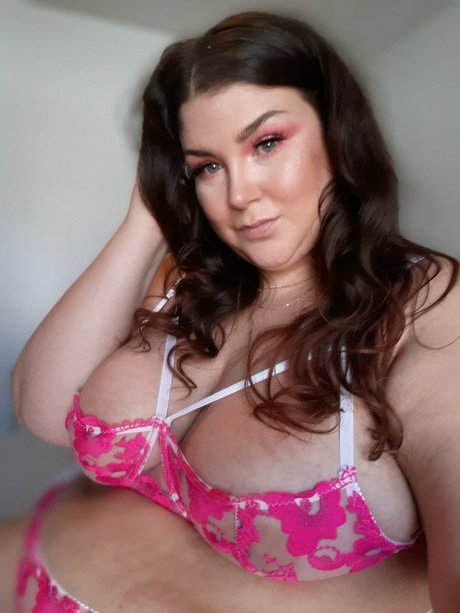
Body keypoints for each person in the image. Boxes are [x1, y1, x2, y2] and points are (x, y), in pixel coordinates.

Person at [7, 10, 459, 613]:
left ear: (337, 133)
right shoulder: (187, 279)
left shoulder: (424, 302)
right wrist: (147, 218)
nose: (239, 195)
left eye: (266, 144)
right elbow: (41, 412)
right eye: (207, 167)